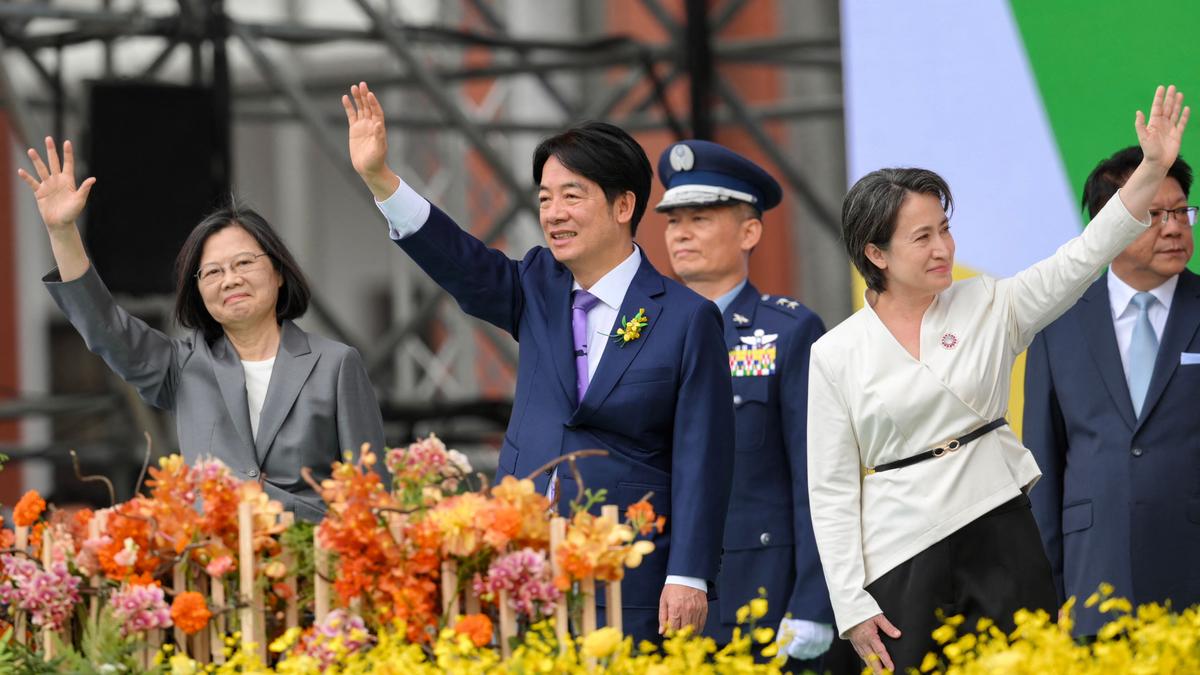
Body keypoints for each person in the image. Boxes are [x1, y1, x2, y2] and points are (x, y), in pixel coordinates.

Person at [806, 85, 1189, 674]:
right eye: (922, 236)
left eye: (945, 228)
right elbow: (830, 490)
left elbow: (1083, 256)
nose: (944, 248)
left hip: (1001, 531)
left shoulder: (989, 302)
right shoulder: (836, 352)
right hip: (898, 552)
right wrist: (850, 602)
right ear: (875, 253)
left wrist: (1152, 171)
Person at [343, 83, 735, 642]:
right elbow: (459, 260)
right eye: (545, 198)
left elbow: (703, 457)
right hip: (523, 561)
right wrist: (381, 179)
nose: (553, 213)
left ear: (623, 206)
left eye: (572, 196)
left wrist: (688, 574)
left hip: (630, 568)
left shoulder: (685, 317)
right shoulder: (535, 284)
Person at [21, 137, 386, 521]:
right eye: (213, 272)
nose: (229, 280)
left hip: (312, 565)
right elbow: (106, 327)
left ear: (278, 272)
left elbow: (370, 492)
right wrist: (63, 232)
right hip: (214, 564)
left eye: (244, 263)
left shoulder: (335, 365)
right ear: (198, 292)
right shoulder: (183, 366)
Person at [657, 139, 833, 665]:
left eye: (701, 217)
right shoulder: (645, 334)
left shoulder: (789, 331)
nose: (681, 232)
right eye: (673, 219)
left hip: (759, 598)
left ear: (750, 231)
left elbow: (818, 478)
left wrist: (813, 603)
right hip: (659, 599)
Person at [1024, 146, 1200, 636]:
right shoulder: (1058, 324)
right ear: (1108, 225)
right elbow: (1043, 465)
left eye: (1182, 210)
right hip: (1093, 584)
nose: (1173, 227)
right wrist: (1049, 596)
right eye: (1152, 215)